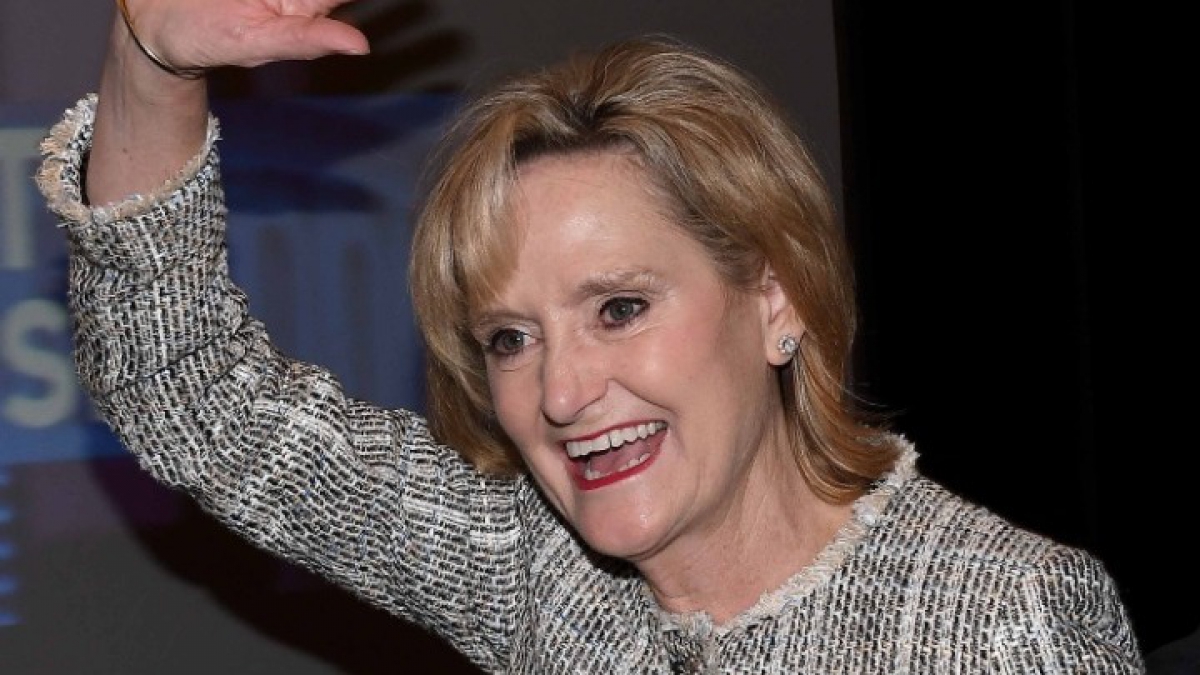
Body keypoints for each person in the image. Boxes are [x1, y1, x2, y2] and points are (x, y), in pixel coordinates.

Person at [37, 0, 1144, 672]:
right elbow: (192, 393)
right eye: (510, 337)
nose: (562, 393)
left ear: (777, 298)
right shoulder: (536, 572)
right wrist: (152, 64)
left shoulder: (1005, 623)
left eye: (620, 308)